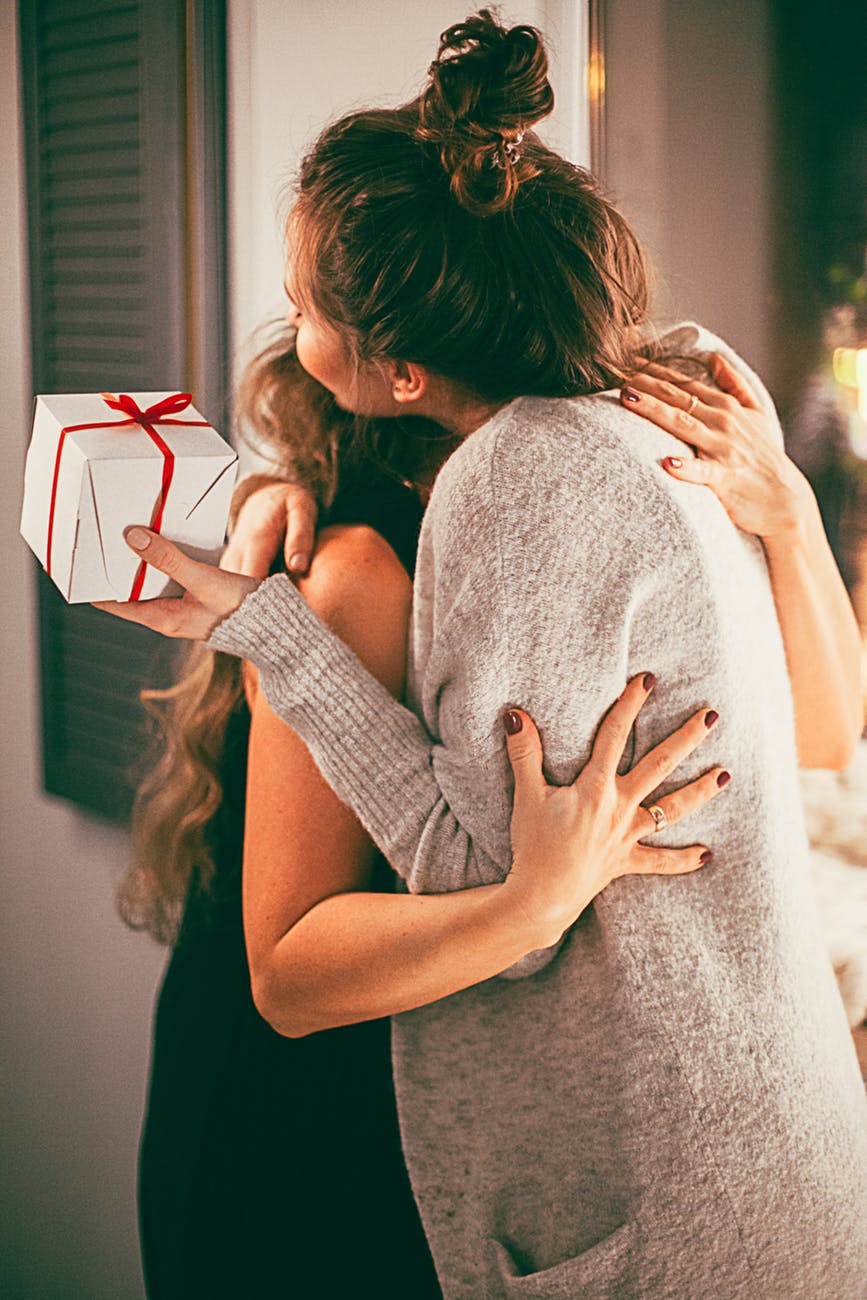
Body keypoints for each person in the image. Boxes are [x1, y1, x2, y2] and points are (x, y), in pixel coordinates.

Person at [99, 11, 867, 1297]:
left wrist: (789, 516)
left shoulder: (552, 472)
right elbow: (323, 958)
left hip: (393, 1112)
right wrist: (265, 584)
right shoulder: (415, 512)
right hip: (314, 1094)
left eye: (304, 305)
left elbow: (818, 748)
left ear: (396, 364)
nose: (286, 329)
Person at [125, 329, 725, 1300]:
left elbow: (826, 732)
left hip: (431, 1114)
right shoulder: (357, 564)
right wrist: (535, 905)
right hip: (301, 1134)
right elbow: (288, 976)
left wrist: (781, 512)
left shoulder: (550, 542)